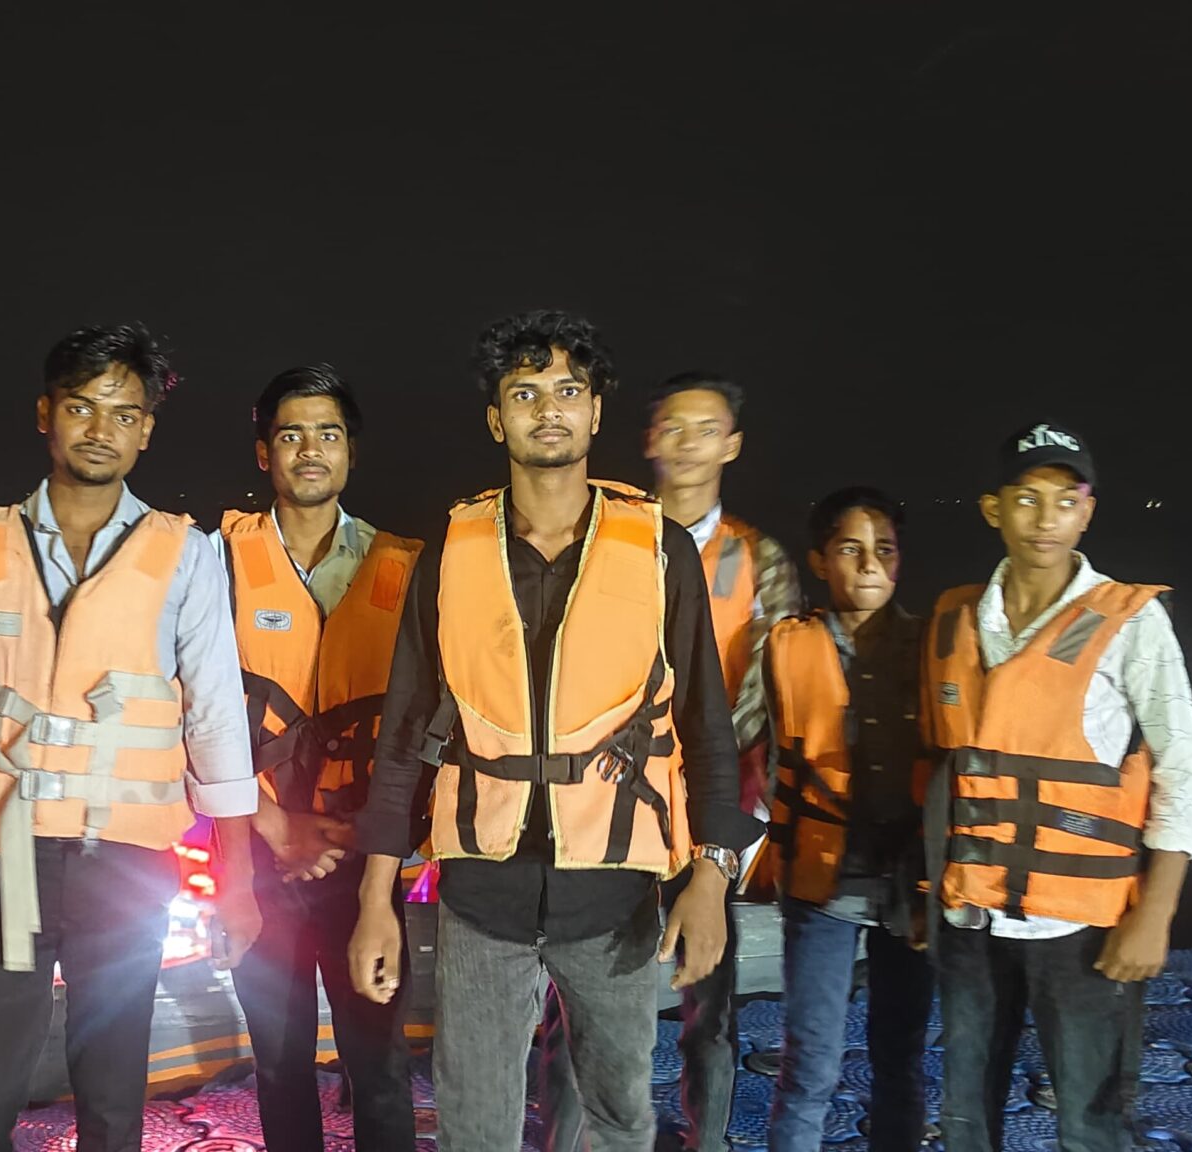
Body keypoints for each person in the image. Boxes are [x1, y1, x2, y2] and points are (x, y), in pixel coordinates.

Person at [347, 308, 762, 1152]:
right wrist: (374, 897)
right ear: (496, 419)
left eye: (568, 391)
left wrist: (712, 878)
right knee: (475, 1128)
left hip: (614, 897)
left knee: (619, 1118)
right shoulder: (452, 551)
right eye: (524, 393)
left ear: (596, 412)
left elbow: (706, 727)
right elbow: (405, 734)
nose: (548, 409)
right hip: (480, 896)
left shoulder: (659, 549)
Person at [0, 324, 265, 1152]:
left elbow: (217, 720)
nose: (100, 429)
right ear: (45, 413)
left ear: (146, 429)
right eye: (82, 407)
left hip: (125, 867)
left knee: (114, 1090)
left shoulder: (187, 557)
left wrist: (239, 880)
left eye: (123, 414)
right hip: (1, 857)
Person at [921, 423, 1192, 1152]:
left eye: (1066, 500)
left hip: (1083, 928)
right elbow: (938, 767)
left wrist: (1155, 916)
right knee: (964, 1117)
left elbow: (1182, 771)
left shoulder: (1132, 621)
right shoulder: (954, 618)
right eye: (1026, 498)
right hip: (971, 920)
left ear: (1087, 513)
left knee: (1091, 1120)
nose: (1045, 518)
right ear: (993, 509)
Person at [538, 370, 804, 1152]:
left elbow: (775, 698)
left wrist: (734, 824)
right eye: (674, 427)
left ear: (733, 444)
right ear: (650, 439)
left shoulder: (759, 559)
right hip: (604, 807)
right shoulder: (602, 538)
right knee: (574, 1002)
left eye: (707, 429)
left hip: (704, 811)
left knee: (707, 1005)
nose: (689, 444)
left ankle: (705, 1139)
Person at [216, 365, 419, 1151]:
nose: (310, 450)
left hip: (363, 860)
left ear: (350, 453)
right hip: (256, 851)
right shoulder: (217, 563)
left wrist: (367, 833)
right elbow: (188, 712)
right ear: (263, 452)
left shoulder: (406, 569)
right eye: (291, 435)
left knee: (380, 1064)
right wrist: (274, 826)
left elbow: (426, 720)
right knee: (278, 1063)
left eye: (328, 434)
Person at [762, 487, 933, 1152]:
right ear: (819, 560)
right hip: (820, 880)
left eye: (884, 550)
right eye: (850, 549)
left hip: (912, 885)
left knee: (901, 1059)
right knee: (809, 1063)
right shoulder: (784, 646)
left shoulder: (935, 646)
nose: (869, 565)